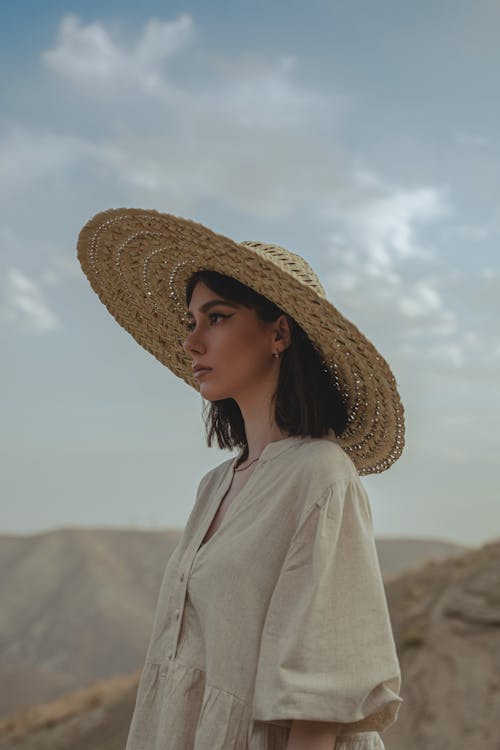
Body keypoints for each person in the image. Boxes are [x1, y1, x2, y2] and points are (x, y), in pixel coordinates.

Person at [77, 208, 406, 750]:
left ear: (279, 332)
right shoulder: (215, 485)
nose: (192, 342)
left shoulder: (320, 476)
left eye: (218, 317)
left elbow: (322, 692)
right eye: (191, 322)